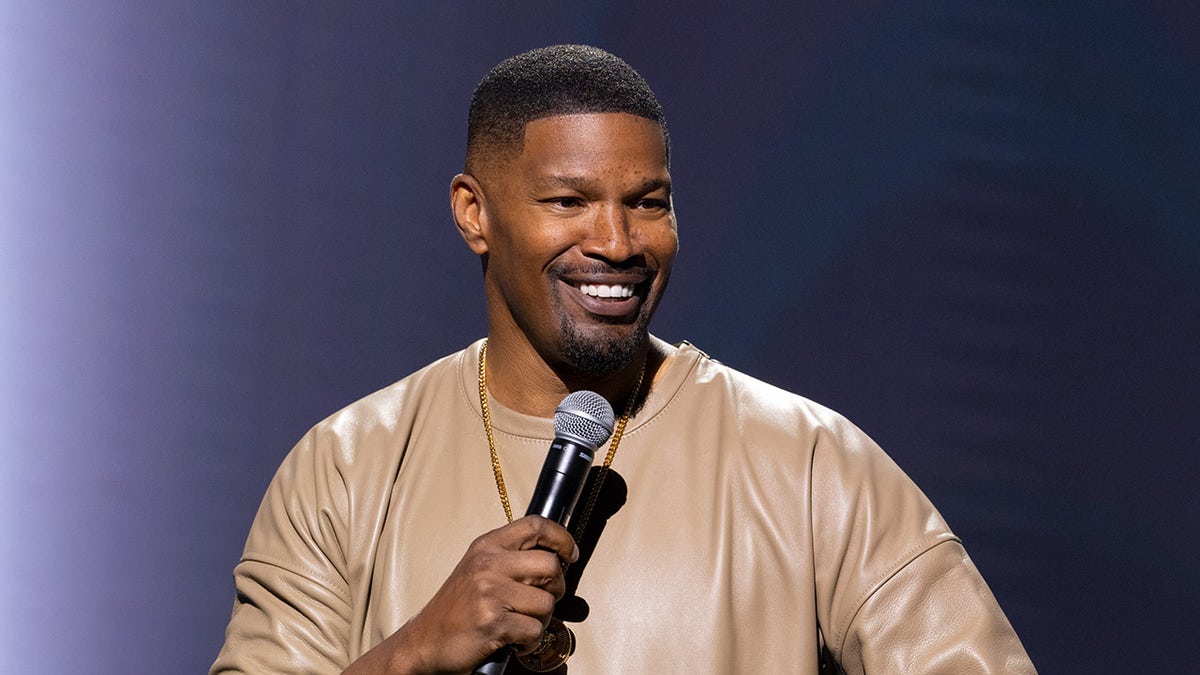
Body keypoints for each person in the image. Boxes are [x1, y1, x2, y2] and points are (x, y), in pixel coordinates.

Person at [212, 44, 1034, 674]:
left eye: (648, 204)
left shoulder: (811, 460)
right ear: (475, 214)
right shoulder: (347, 468)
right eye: (568, 201)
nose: (616, 242)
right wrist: (417, 650)